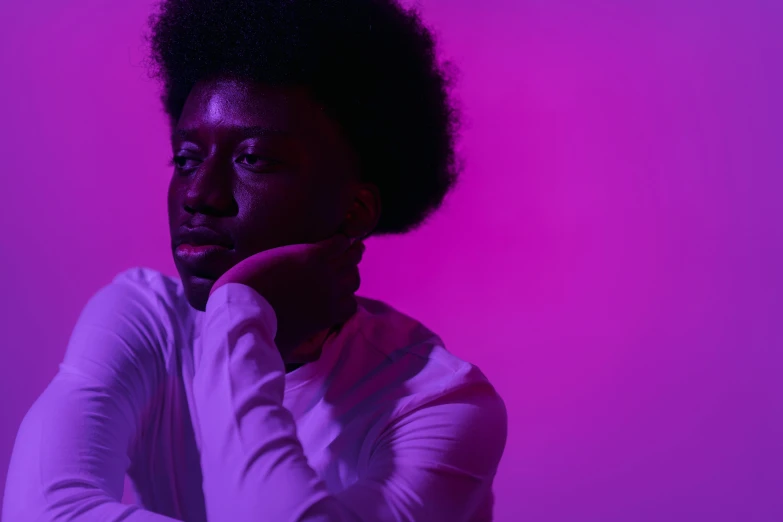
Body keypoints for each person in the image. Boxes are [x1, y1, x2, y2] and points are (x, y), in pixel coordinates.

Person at [2, 0, 508, 520]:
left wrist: (235, 312)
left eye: (253, 159)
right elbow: (36, 512)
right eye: (186, 158)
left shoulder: (440, 406)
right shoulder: (147, 320)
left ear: (355, 210)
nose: (200, 194)